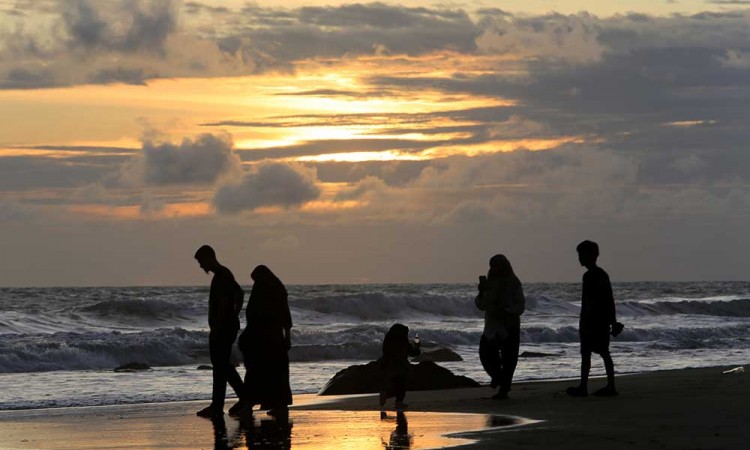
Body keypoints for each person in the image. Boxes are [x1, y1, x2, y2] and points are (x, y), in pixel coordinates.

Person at [194, 245, 246, 418]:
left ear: (209, 258)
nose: (201, 266)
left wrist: (219, 325)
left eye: (201, 262)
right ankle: (232, 401)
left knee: (222, 366)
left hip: (223, 328)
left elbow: (225, 302)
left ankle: (234, 401)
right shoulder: (224, 274)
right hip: (227, 326)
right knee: (222, 366)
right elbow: (240, 293)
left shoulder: (222, 276)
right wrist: (235, 313)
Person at [566, 240, 622, 397]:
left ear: (591, 255)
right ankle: (604, 385)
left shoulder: (592, 276)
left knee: (593, 353)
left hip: (593, 321)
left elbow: (596, 301)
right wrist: (612, 320)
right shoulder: (599, 275)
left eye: (581, 254)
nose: (580, 258)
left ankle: (589, 387)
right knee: (598, 352)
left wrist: (590, 320)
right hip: (598, 320)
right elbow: (609, 300)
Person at [238, 265, 293, 415]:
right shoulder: (277, 289)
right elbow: (286, 318)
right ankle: (278, 405)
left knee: (258, 373)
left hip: (266, 340)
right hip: (272, 339)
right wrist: (287, 337)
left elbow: (283, 317)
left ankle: (250, 405)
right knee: (276, 374)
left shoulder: (269, 291)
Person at [475, 254, 525, 400]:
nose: (495, 269)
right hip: (492, 326)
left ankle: (504, 388)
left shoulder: (513, 282)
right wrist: (482, 292)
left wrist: (506, 311)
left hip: (509, 325)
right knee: (486, 354)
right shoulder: (489, 283)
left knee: (509, 358)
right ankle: (498, 377)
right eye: (493, 266)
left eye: (497, 266)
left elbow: (520, 305)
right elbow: (481, 305)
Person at [379, 323, 421, 411]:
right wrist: (417, 345)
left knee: (397, 384)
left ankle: (388, 396)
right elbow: (413, 353)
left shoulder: (388, 340)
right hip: (401, 365)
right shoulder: (403, 340)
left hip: (389, 365)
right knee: (402, 385)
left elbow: (385, 354)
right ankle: (396, 401)